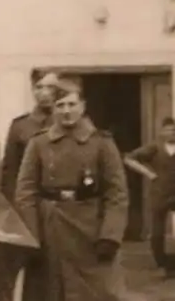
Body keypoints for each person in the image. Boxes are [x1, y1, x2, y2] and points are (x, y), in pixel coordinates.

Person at [15, 77, 129, 300]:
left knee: (96, 291)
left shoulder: (102, 143)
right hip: (51, 229)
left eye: (71, 104)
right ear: (53, 109)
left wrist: (110, 235)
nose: (66, 111)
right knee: (50, 290)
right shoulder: (38, 143)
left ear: (83, 106)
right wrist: (32, 237)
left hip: (91, 230)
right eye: (60, 105)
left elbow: (117, 194)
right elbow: (25, 193)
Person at [124, 117, 175, 277]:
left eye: (173, 130)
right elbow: (129, 158)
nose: (171, 133)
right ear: (161, 132)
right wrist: (149, 173)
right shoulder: (154, 147)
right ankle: (163, 264)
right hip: (160, 193)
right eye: (167, 130)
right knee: (157, 233)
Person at [0, 70, 58, 203]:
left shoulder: (69, 123)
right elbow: (10, 172)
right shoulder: (20, 126)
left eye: (50, 87)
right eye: (39, 87)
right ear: (32, 89)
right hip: (29, 201)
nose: (44, 93)